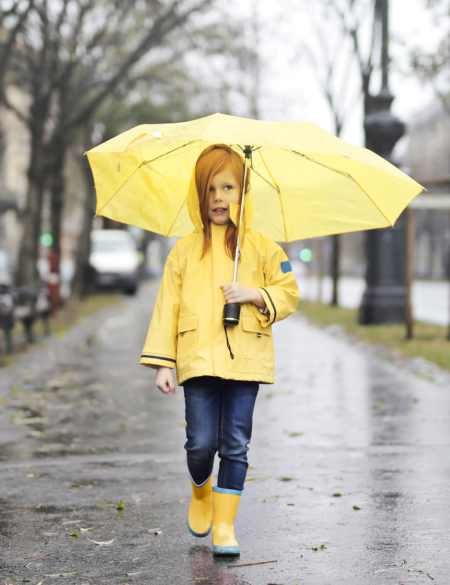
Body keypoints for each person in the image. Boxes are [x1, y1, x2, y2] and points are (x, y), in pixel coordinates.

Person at [140, 144, 300, 556]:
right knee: (200, 443)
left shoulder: (263, 247)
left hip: (246, 359)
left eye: (228, 187)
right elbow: (166, 308)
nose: (218, 197)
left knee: (234, 443)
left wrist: (255, 293)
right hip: (197, 359)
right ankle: (200, 491)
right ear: (200, 196)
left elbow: (289, 292)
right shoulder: (184, 251)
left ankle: (225, 527)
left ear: (243, 194)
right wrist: (163, 363)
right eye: (210, 189)